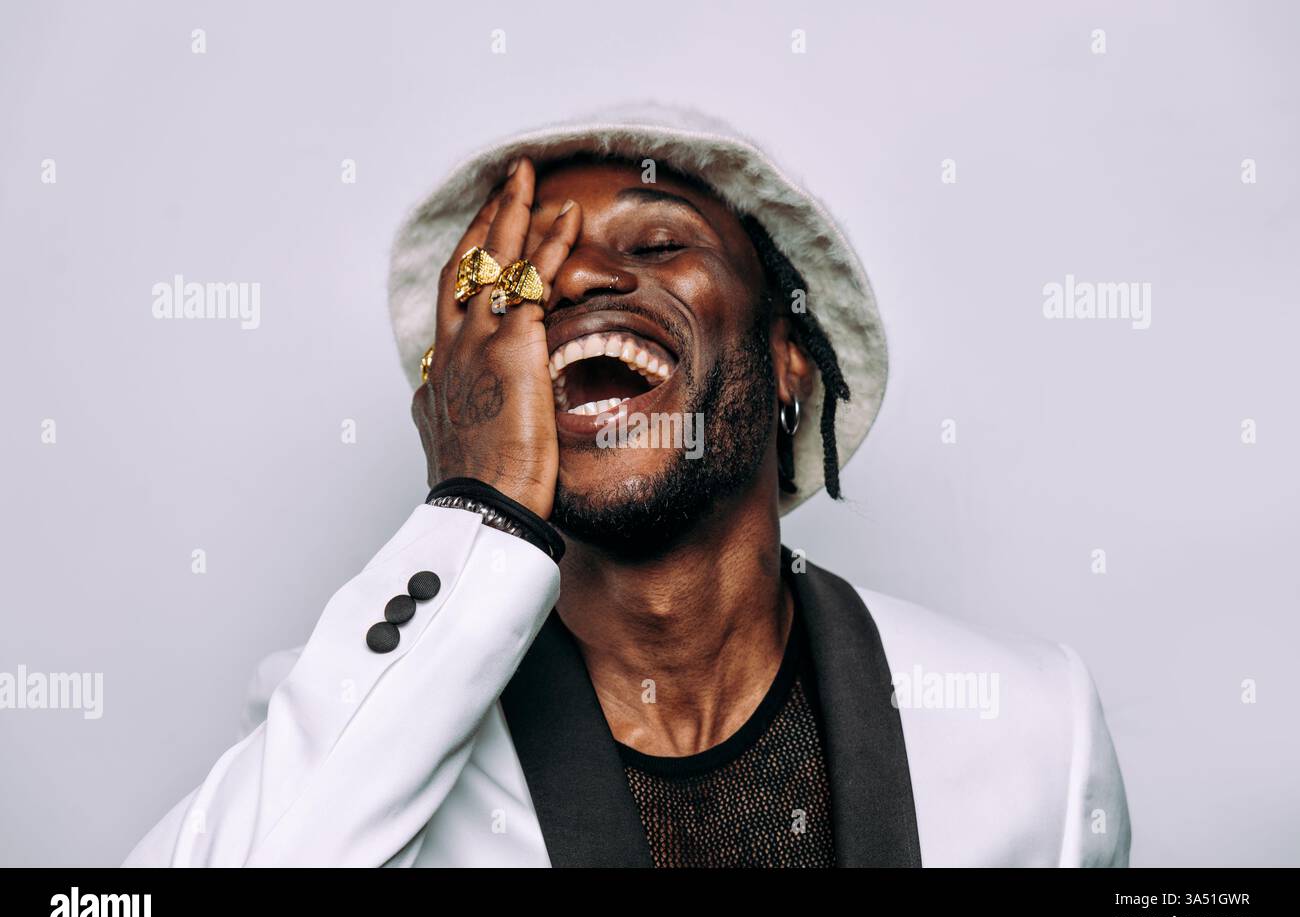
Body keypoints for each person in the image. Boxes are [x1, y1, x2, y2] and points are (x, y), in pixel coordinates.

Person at [125, 104, 1130, 867]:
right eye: (520, 283)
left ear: (789, 360)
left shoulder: (1035, 723)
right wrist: (477, 511)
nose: (573, 282)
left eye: (658, 244)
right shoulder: (360, 718)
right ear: (479, 394)